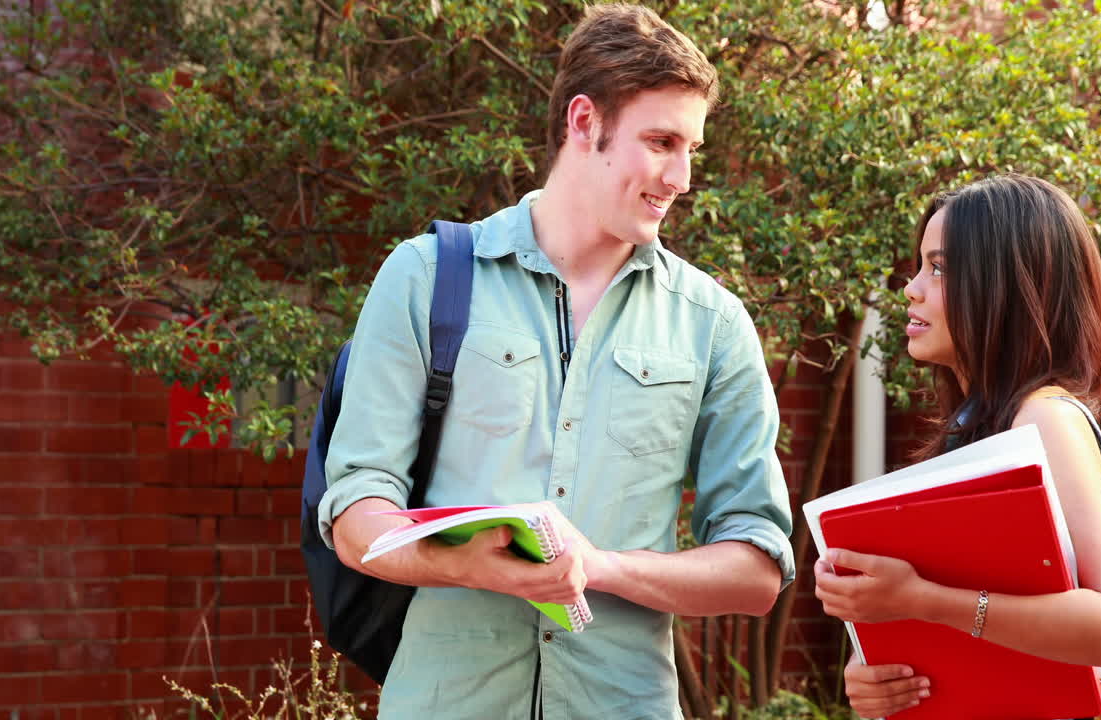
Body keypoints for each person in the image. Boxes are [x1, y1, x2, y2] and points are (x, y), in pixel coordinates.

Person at [318, 5, 794, 719]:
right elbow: (357, 514)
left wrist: (598, 567)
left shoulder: (712, 323)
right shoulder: (425, 278)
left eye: (691, 148)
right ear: (583, 121)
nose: (682, 176)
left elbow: (757, 569)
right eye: (661, 142)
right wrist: (459, 563)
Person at [815, 174, 1101, 719]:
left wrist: (922, 599)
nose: (912, 288)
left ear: (1008, 286)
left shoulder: (1045, 418)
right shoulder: (974, 426)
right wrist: (874, 673)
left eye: (940, 268)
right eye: (921, 265)